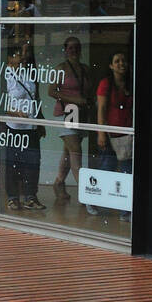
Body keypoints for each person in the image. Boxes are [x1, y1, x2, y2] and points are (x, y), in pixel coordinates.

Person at [0, 39, 45, 211]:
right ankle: (13, 197)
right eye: (18, 54)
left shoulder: (28, 73)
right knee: (12, 163)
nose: (23, 57)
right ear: (9, 58)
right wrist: (17, 114)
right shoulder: (3, 76)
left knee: (32, 161)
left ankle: (31, 197)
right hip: (12, 126)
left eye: (25, 53)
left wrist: (40, 120)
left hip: (30, 126)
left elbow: (34, 98)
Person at [48, 35, 95, 204]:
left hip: (80, 113)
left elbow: (90, 92)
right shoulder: (60, 68)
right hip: (67, 111)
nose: (74, 50)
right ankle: (86, 193)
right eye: (70, 48)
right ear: (65, 50)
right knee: (76, 152)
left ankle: (59, 183)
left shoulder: (86, 69)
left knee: (68, 151)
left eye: (77, 47)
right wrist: (74, 100)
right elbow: (51, 91)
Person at [96, 51, 133, 220]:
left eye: (123, 60)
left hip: (127, 135)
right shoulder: (105, 84)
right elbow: (101, 109)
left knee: (127, 173)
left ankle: (125, 212)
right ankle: (93, 199)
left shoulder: (131, 83)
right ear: (111, 66)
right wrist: (101, 133)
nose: (121, 64)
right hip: (111, 135)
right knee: (107, 170)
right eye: (117, 61)